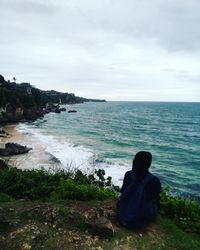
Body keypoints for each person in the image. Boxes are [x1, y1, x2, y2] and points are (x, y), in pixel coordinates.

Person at [117, 151, 161, 228]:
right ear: (149, 164)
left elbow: (123, 192)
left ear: (135, 162)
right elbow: (156, 200)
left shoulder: (128, 175)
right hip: (141, 219)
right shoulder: (154, 180)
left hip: (122, 214)